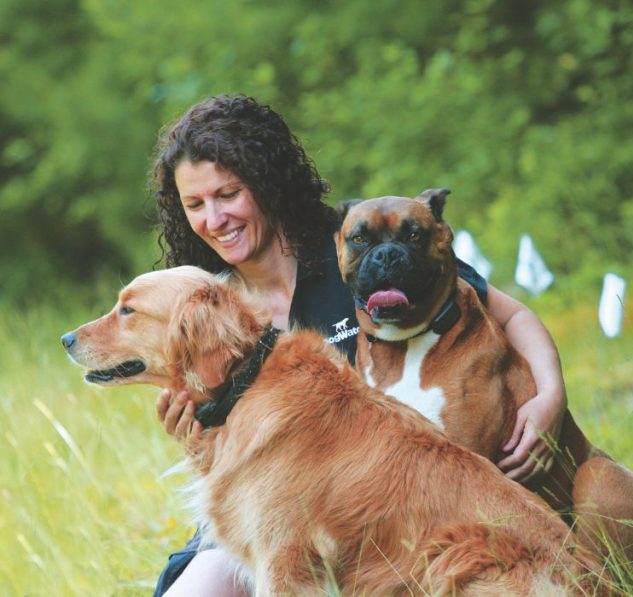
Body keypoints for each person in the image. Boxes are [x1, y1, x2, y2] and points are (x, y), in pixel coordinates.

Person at [148, 94, 568, 596]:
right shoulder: (211, 308)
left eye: (228, 194)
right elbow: (239, 460)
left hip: (383, 512)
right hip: (278, 513)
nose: (215, 219)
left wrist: (550, 397)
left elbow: (512, 313)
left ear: (264, 182)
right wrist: (197, 438)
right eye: (195, 205)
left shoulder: (361, 245)